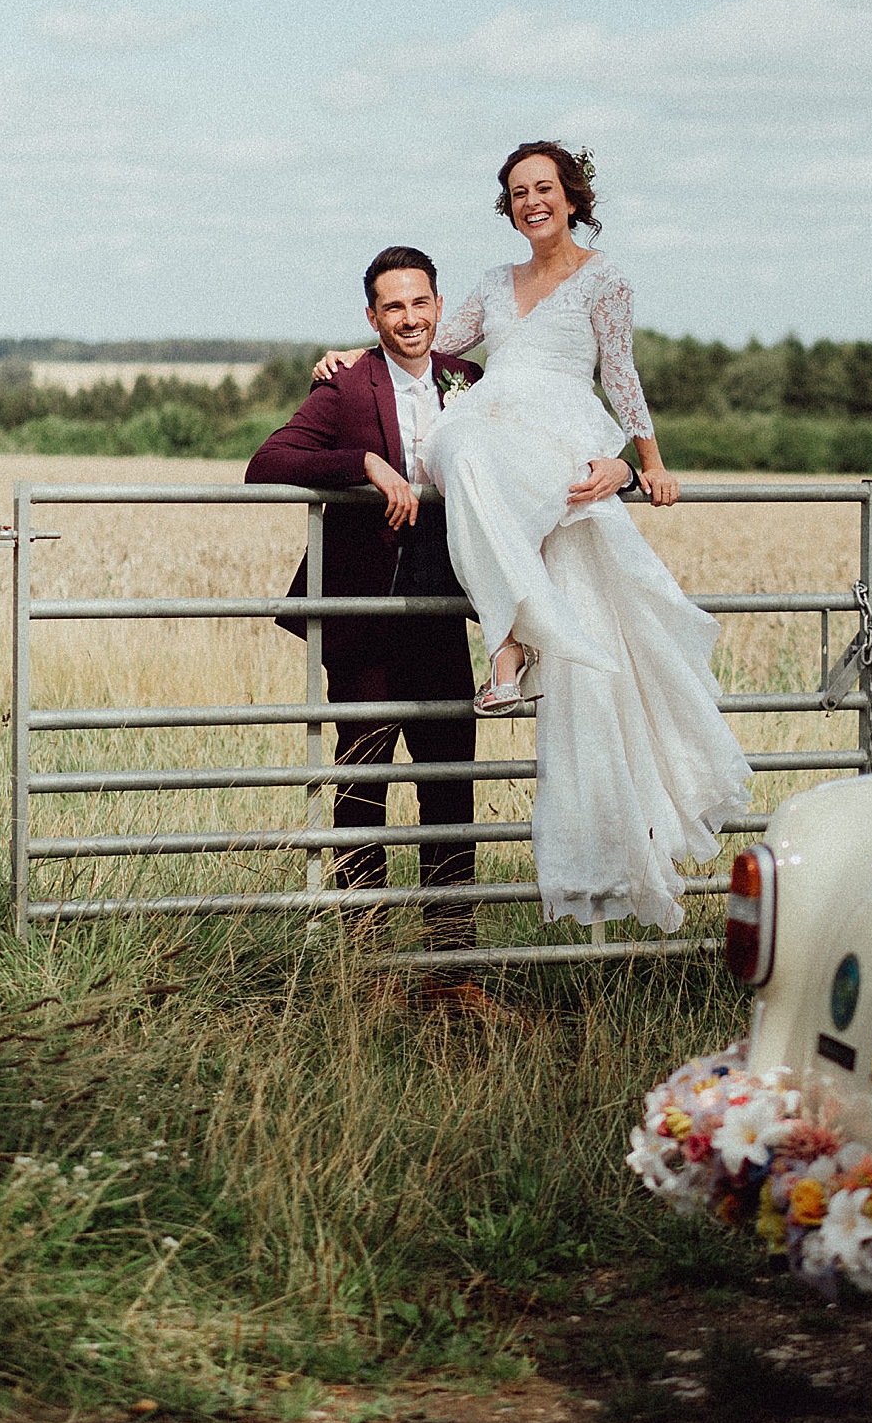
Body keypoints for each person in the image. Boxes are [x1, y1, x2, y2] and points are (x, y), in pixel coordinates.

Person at [314, 145, 749, 933]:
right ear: (507, 205)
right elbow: (436, 347)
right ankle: (511, 640)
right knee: (464, 453)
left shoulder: (604, 279)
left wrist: (639, 462)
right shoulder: (491, 285)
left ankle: (512, 641)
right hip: (489, 428)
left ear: (571, 196)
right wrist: (356, 355)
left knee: (485, 468)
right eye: (517, 192)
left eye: (543, 188)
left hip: (559, 436)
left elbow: (620, 373)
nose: (531, 202)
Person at [246, 246, 490, 984]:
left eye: (420, 304)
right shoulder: (347, 387)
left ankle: (453, 967)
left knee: (450, 783)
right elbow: (268, 459)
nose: (409, 319)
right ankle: (370, 965)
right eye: (393, 307)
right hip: (365, 615)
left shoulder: (472, 381)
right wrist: (363, 464)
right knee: (363, 785)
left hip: (445, 606)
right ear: (371, 316)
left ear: (440, 307)